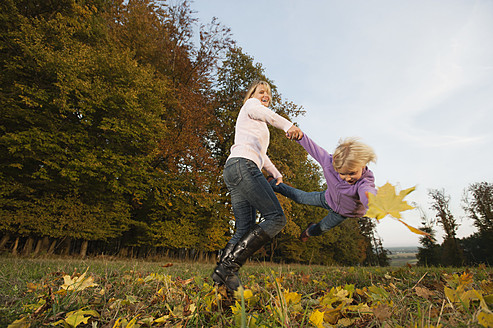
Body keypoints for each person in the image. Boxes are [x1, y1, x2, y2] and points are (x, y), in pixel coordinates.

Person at [212, 80, 303, 293]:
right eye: (262, 91)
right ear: (252, 93)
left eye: (269, 93)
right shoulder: (251, 106)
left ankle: (220, 278)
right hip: (244, 166)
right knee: (276, 218)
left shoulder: (254, 122)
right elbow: (271, 117)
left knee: (243, 228)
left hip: (234, 168)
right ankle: (228, 268)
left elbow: (261, 155)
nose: (266, 95)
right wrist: (289, 126)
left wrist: (276, 173)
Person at [269, 134, 376, 241]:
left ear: (362, 165)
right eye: (342, 174)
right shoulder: (329, 163)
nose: (348, 178)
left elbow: (367, 192)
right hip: (327, 198)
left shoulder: (365, 181)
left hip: (341, 213)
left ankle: (308, 231)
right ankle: (274, 183)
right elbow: (314, 149)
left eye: (352, 173)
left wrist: (373, 202)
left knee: (321, 229)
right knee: (300, 198)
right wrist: (299, 136)